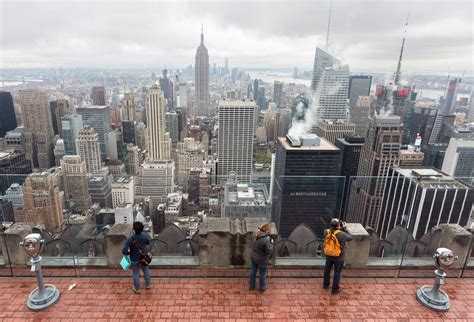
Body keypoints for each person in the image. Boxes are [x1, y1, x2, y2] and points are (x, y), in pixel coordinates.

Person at [323, 218, 352, 294]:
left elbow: (332, 232)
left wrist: (339, 228)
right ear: (339, 225)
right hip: (339, 257)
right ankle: (335, 289)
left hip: (329, 255)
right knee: (337, 272)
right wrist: (344, 228)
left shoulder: (326, 232)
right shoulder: (342, 234)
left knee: (327, 270)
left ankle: (325, 285)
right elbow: (350, 238)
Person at [122, 221, 151, 294]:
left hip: (134, 258)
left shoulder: (130, 239)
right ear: (142, 229)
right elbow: (148, 242)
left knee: (136, 273)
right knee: (145, 270)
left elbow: (124, 251)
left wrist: (129, 252)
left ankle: (137, 289)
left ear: (134, 230)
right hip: (143, 257)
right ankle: (148, 285)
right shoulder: (145, 236)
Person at [249, 223, 274, 293]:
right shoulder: (266, 240)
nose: (269, 231)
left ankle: (252, 285)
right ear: (266, 230)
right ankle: (262, 288)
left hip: (253, 257)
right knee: (262, 273)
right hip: (262, 259)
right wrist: (271, 243)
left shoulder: (255, 234)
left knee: (253, 271)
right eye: (268, 230)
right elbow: (269, 251)